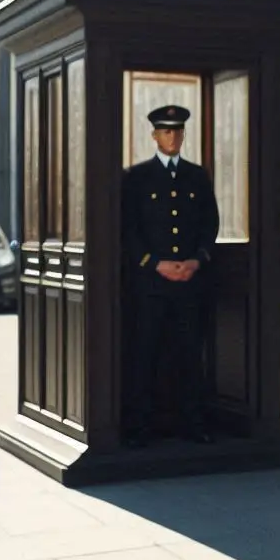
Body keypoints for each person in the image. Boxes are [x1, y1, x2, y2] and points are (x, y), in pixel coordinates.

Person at [121, 104, 219, 447]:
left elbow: (210, 224)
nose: (173, 136)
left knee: (190, 356)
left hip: (190, 283)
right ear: (154, 135)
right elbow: (128, 230)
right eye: (166, 131)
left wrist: (196, 260)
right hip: (151, 284)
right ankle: (141, 428)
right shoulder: (136, 177)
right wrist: (154, 263)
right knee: (145, 355)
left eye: (178, 131)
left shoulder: (197, 175)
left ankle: (193, 425)